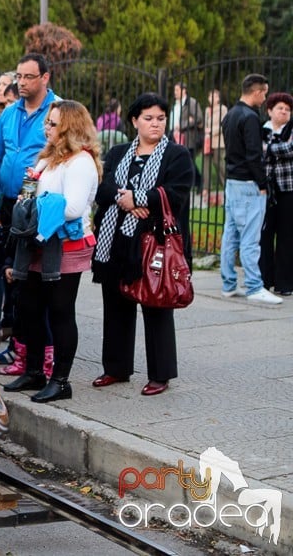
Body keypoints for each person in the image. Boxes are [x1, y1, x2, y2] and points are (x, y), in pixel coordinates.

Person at [91, 93, 193, 396]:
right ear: (135, 121)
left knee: (156, 305)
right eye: (148, 118)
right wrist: (128, 200)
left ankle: (160, 374)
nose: (155, 124)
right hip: (116, 242)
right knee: (116, 306)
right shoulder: (120, 151)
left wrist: (139, 198)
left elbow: (176, 192)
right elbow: (102, 185)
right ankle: (116, 368)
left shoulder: (176, 154)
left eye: (161, 118)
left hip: (153, 243)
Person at [2, 100, 101, 402]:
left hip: (66, 244)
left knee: (60, 311)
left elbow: (71, 208)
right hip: (38, 241)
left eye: (53, 124)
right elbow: (32, 190)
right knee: (30, 307)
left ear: (69, 128)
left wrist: (34, 206)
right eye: (47, 122)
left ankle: (61, 380)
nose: (47, 128)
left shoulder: (80, 162)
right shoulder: (49, 158)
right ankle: (34, 371)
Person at [0, 53, 58, 364]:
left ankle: (37, 349)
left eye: (29, 77)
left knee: (30, 279)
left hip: (38, 205)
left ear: (45, 78)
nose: (22, 82)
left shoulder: (57, 112)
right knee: (5, 273)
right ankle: (17, 344)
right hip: (9, 201)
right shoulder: (10, 113)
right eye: (19, 76)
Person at [220, 74, 282, 305]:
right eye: (264, 92)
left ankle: (228, 284)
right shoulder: (250, 117)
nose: (265, 97)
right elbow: (254, 155)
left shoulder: (230, 115)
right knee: (249, 237)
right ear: (256, 92)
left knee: (231, 235)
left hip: (232, 182)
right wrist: (263, 184)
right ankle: (255, 286)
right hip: (248, 184)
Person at [259, 92, 293, 296]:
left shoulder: (290, 130)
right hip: (266, 189)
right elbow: (257, 151)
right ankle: (264, 279)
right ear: (270, 110)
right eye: (280, 108)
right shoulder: (262, 129)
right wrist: (273, 149)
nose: (284, 112)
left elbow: (290, 149)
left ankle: (285, 282)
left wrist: (269, 149)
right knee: (264, 234)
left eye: (288, 110)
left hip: (288, 189)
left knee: (286, 236)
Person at [170, 82, 204, 189]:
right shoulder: (175, 104)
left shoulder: (192, 102)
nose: (175, 93)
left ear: (184, 90)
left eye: (177, 90)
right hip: (174, 136)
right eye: (174, 90)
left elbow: (198, 118)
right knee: (178, 161)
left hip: (188, 137)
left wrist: (182, 125)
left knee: (189, 161)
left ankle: (198, 183)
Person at [202, 89, 228, 206]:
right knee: (206, 165)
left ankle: (226, 186)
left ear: (218, 98)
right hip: (208, 141)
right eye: (210, 96)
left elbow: (224, 124)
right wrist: (206, 131)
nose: (212, 98)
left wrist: (211, 131)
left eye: (214, 96)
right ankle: (206, 190)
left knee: (219, 164)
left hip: (218, 141)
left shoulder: (223, 109)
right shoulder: (208, 110)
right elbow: (205, 124)